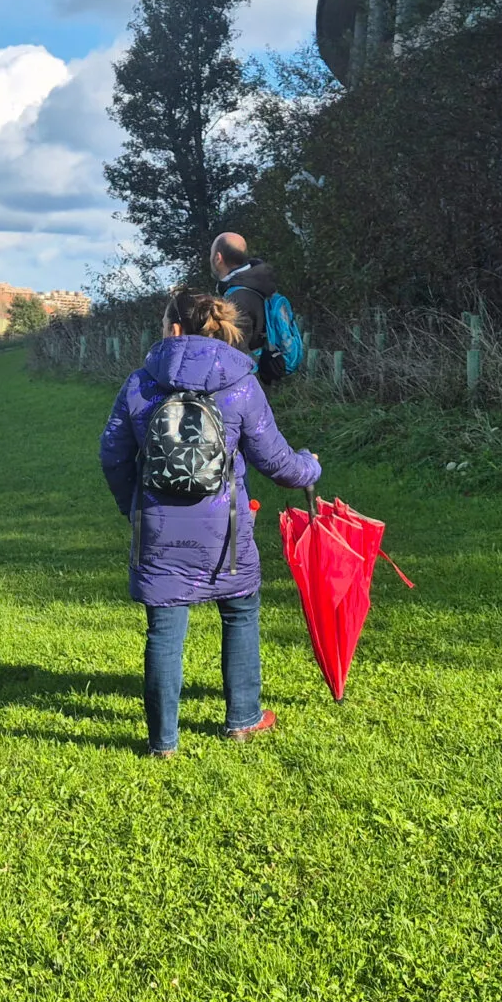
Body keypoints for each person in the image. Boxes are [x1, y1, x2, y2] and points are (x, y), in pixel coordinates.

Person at [99, 288, 321, 758]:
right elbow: (277, 461)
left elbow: (112, 455)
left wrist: (132, 506)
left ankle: (163, 741)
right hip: (226, 529)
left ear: (174, 328)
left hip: (158, 529)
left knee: (163, 629)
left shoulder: (140, 384)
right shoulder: (241, 383)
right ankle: (242, 718)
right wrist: (310, 467)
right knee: (239, 612)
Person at [210, 232, 283, 386]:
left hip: (246, 386)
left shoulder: (237, 297)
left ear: (218, 258)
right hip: (263, 374)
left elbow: (234, 353)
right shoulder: (258, 284)